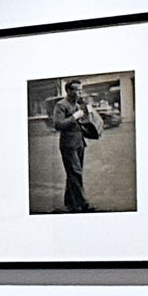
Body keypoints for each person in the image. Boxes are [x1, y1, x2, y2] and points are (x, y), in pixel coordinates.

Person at [47, 78, 97, 213]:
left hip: (80, 143)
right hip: (68, 145)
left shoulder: (78, 104)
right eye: (77, 90)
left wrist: (89, 111)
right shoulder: (61, 105)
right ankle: (83, 203)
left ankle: (70, 202)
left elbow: (86, 119)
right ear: (68, 90)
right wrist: (74, 116)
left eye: (81, 90)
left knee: (73, 174)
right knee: (76, 173)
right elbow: (58, 124)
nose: (80, 93)